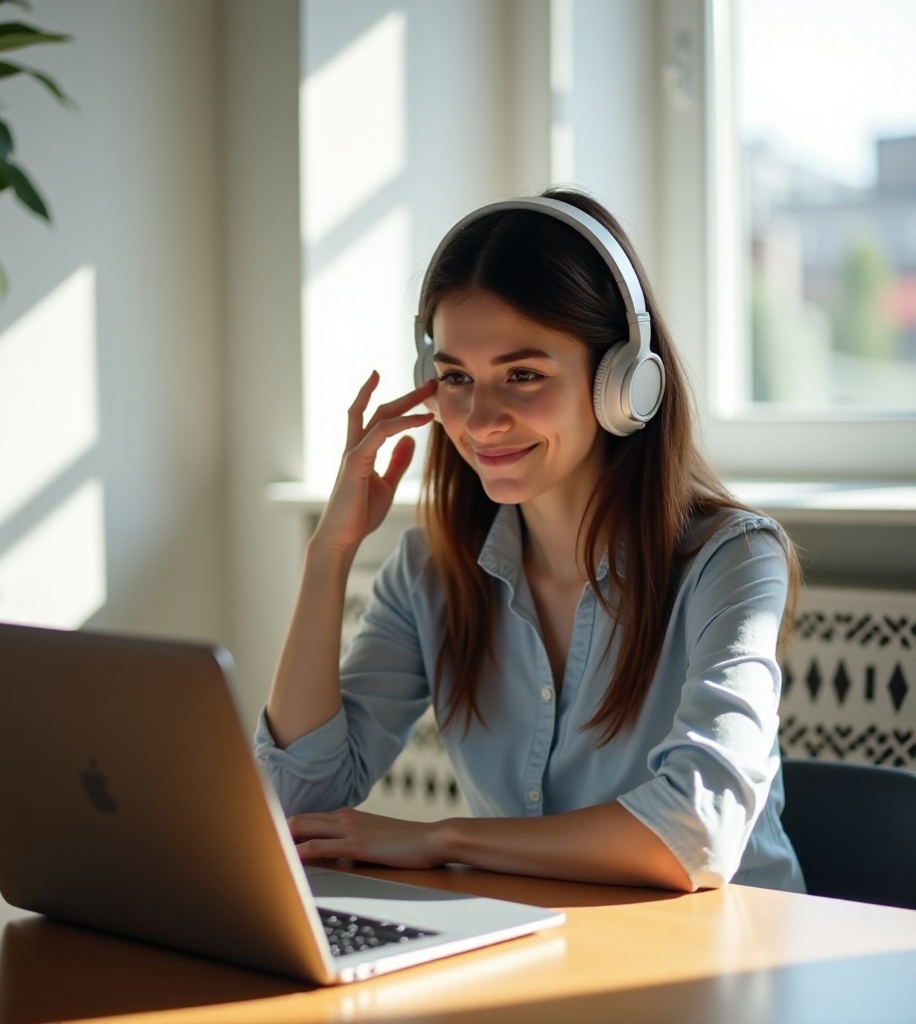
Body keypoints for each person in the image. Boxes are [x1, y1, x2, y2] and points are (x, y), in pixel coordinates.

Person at [255, 187, 805, 893]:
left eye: (523, 375)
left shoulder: (731, 561)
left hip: (734, 968)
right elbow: (295, 806)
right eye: (456, 377)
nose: (480, 420)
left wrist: (440, 840)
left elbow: (696, 832)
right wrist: (329, 554)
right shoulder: (430, 571)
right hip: (544, 951)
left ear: (622, 383)